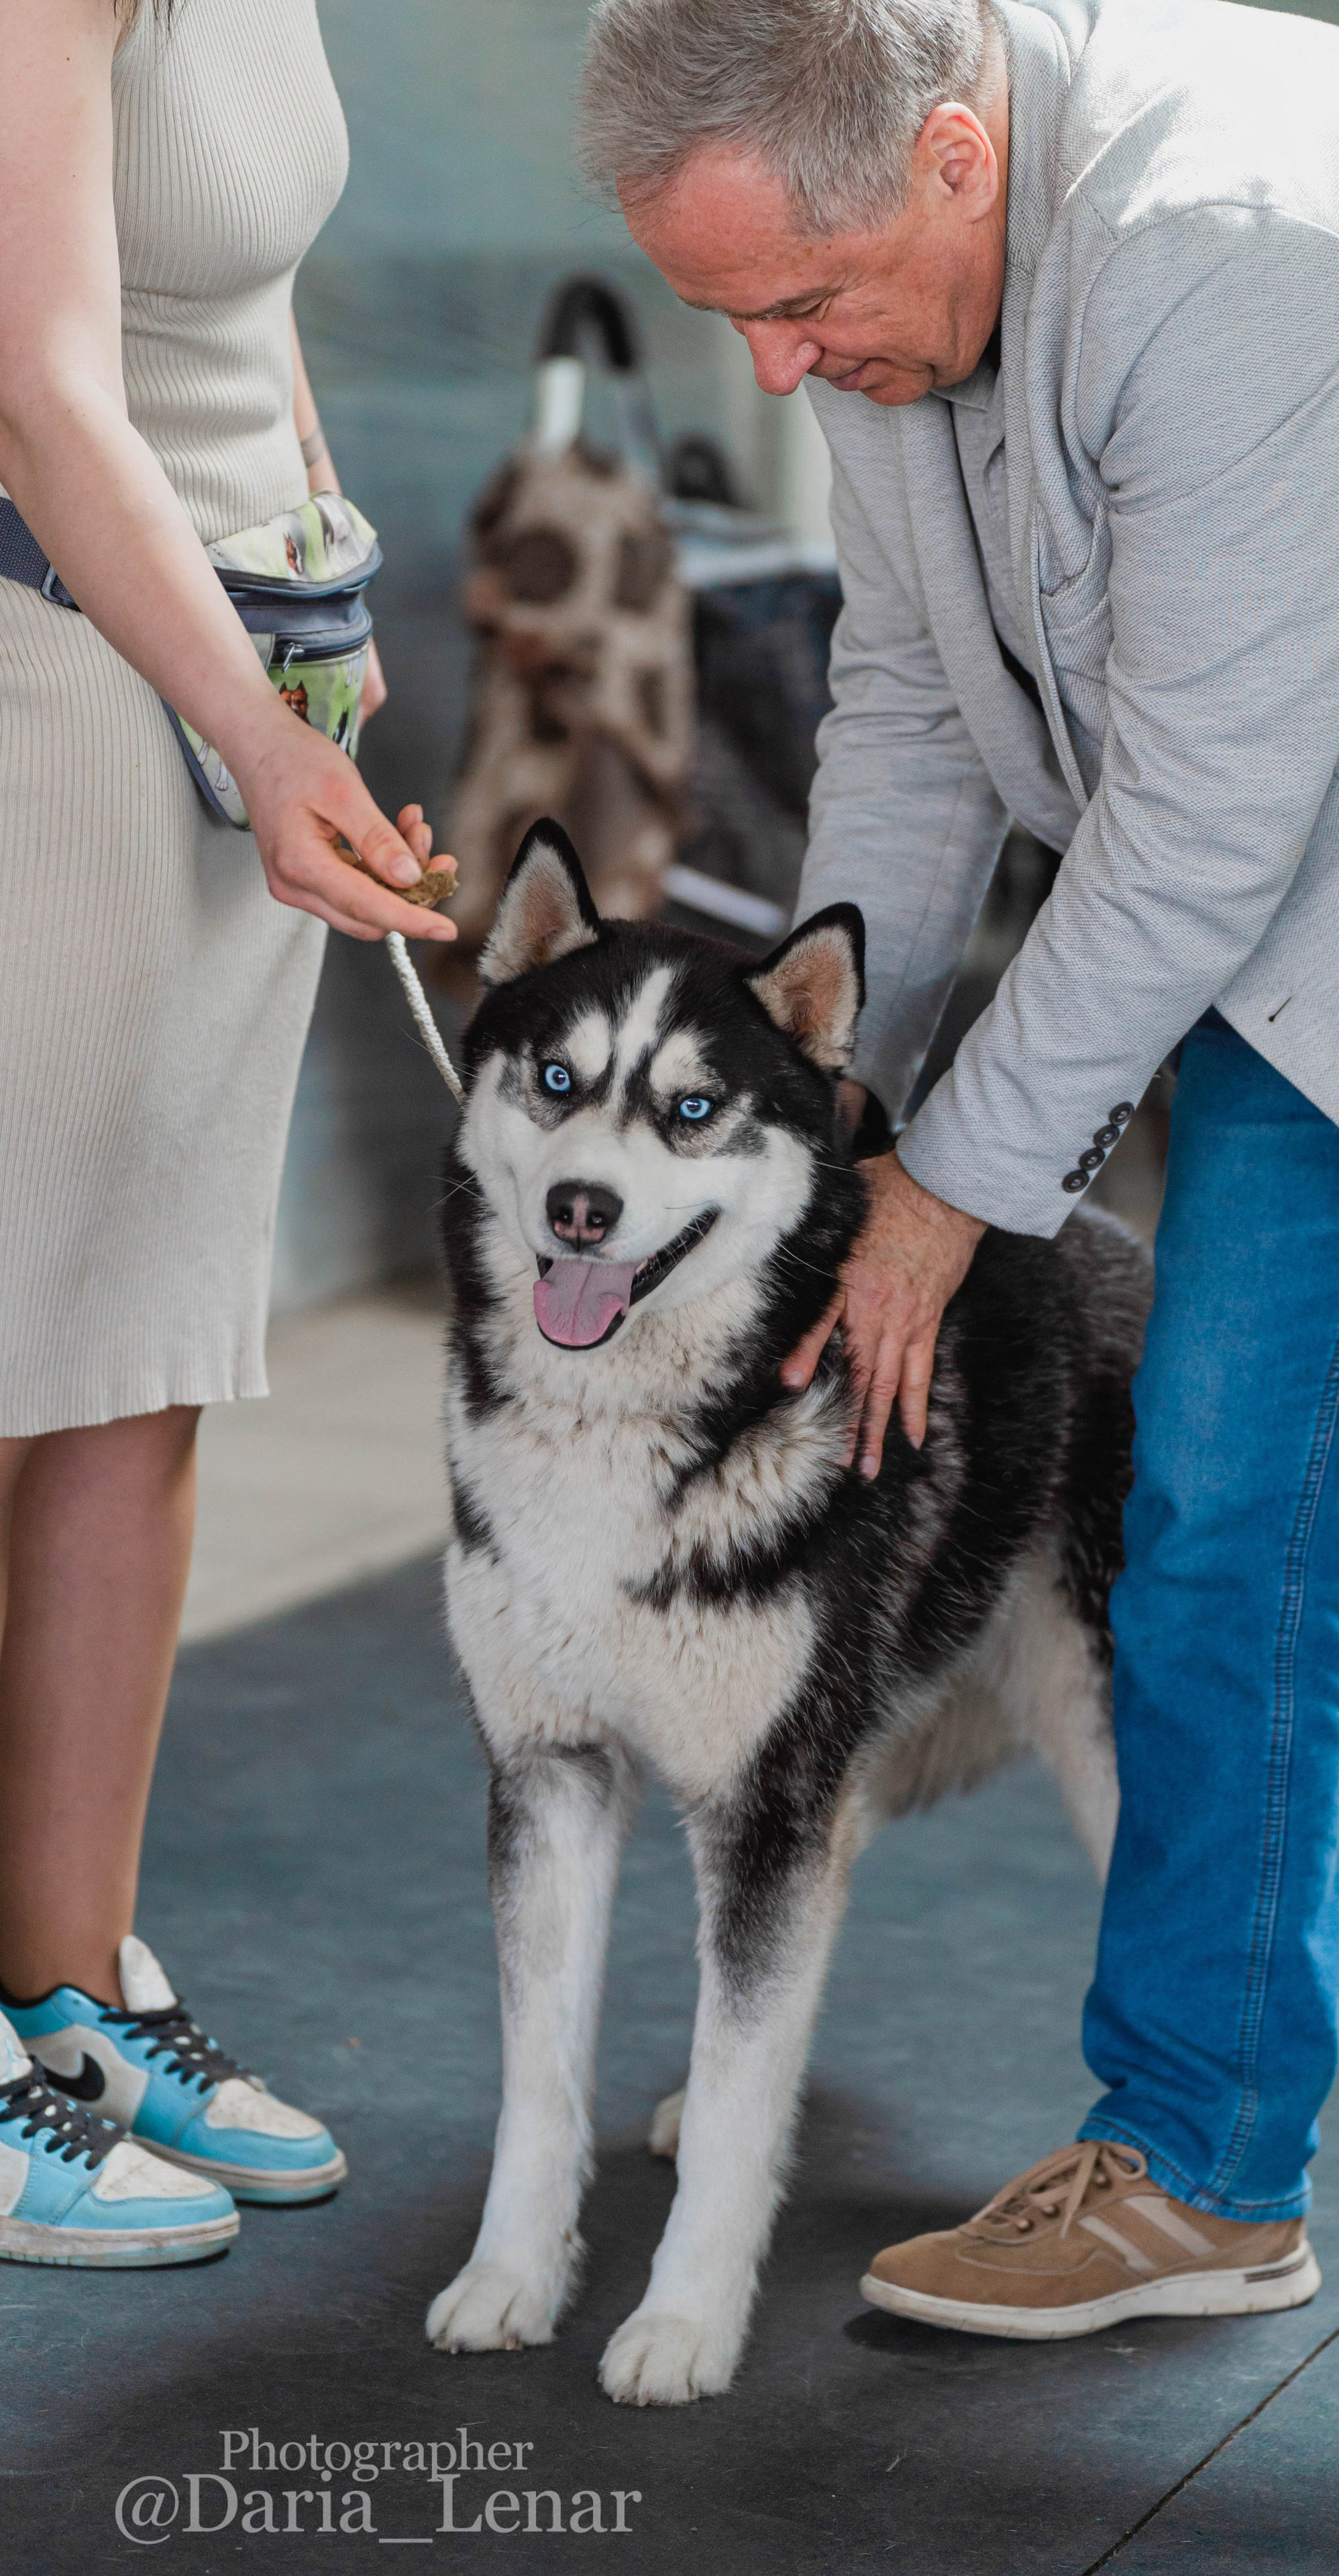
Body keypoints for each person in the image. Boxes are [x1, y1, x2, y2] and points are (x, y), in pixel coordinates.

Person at [582, 0, 1339, 2336]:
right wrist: (830, 1120)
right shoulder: (892, 302)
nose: (775, 378)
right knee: (1214, 1519)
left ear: (962, 157)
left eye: (799, 309)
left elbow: (1193, 820)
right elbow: (909, 722)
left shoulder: (1236, 233)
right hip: (1328, 932)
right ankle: (1196, 2164)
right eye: (733, 326)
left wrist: (946, 1196)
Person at [0, 0, 458, 2266]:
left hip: (230, 663)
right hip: (54, 672)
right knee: (4, 1348)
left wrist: (325, 584)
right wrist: (249, 720)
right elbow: (45, 384)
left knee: (139, 1355)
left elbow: (244, 315)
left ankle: (69, 1991)